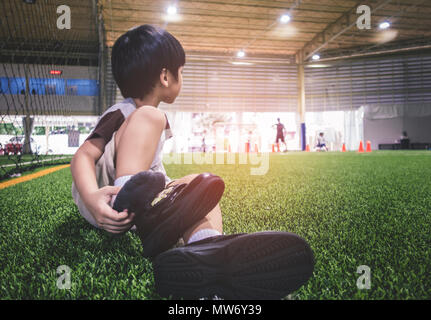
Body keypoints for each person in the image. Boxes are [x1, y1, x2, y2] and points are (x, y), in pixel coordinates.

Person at [70, 25, 314, 300]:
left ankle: (207, 253)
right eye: (181, 71)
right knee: (151, 118)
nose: (182, 77)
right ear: (165, 76)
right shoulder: (129, 112)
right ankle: (138, 207)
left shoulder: (147, 121)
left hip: (142, 205)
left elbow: (154, 177)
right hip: (109, 203)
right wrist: (92, 198)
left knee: (202, 188)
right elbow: (83, 155)